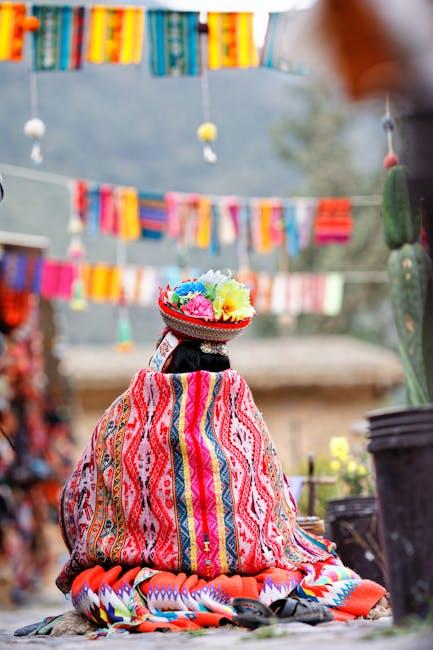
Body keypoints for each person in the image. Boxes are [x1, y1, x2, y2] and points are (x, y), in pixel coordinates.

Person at [56, 271, 386, 633]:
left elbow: (80, 499)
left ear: (166, 352)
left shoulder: (125, 413)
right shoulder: (241, 412)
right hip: (257, 571)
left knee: (101, 590)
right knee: (317, 576)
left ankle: (222, 603)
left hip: (153, 583)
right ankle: (270, 599)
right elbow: (276, 506)